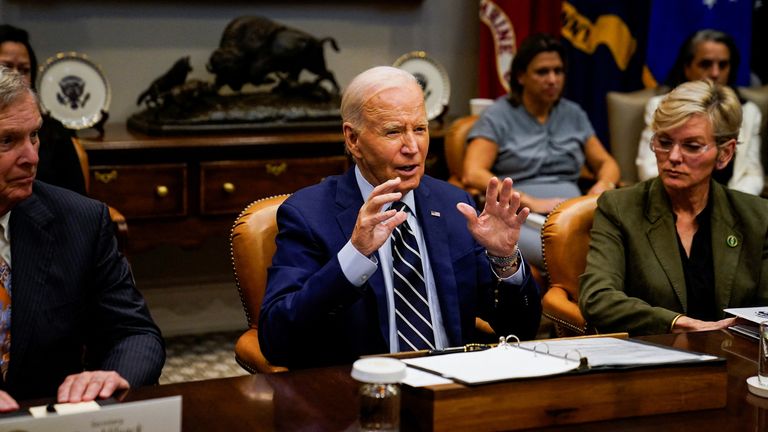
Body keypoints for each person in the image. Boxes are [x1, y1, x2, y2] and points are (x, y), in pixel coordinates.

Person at [259, 66, 541, 369]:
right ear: (353, 139)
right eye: (393, 131)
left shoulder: (453, 205)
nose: (412, 147)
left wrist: (504, 260)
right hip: (363, 395)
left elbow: (519, 329)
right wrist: (354, 255)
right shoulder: (309, 214)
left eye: (420, 129)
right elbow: (277, 340)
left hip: (452, 387)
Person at [0, 68, 164, 411]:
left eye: (33, 136)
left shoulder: (80, 220)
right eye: (7, 141)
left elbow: (134, 334)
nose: (31, 157)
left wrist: (112, 374)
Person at [580, 80, 768, 336]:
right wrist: (677, 323)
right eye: (664, 142)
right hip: (654, 360)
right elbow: (598, 298)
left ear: (725, 154)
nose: (674, 157)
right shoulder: (620, 208)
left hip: (739, 362)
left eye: (691, 146)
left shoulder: (758, 217)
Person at [464, 33, 620, 269]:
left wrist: (603, 187)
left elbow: (606, 163)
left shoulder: (573, 114)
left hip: (574, 210)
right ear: (520, 76)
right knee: (565, 252)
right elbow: (472, 172)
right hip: (521, 213)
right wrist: (531, 201)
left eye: (558, 71)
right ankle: (563, 305)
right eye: (542, 72)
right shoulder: (498, 115)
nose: (552, 79)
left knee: (618, 249)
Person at [636, 29, 763, 196]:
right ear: (687, 68)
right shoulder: (661, 106)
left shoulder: (748, 112)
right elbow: (648, 168)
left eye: (723, 65)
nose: (715, 73)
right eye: (706, 64)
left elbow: (752, 175)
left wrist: (727, 206)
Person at [0, 24, 87, 195]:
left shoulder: (54, 132)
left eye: (25, 70)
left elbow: (76, 202)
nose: (16, 77)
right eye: (6, 68)